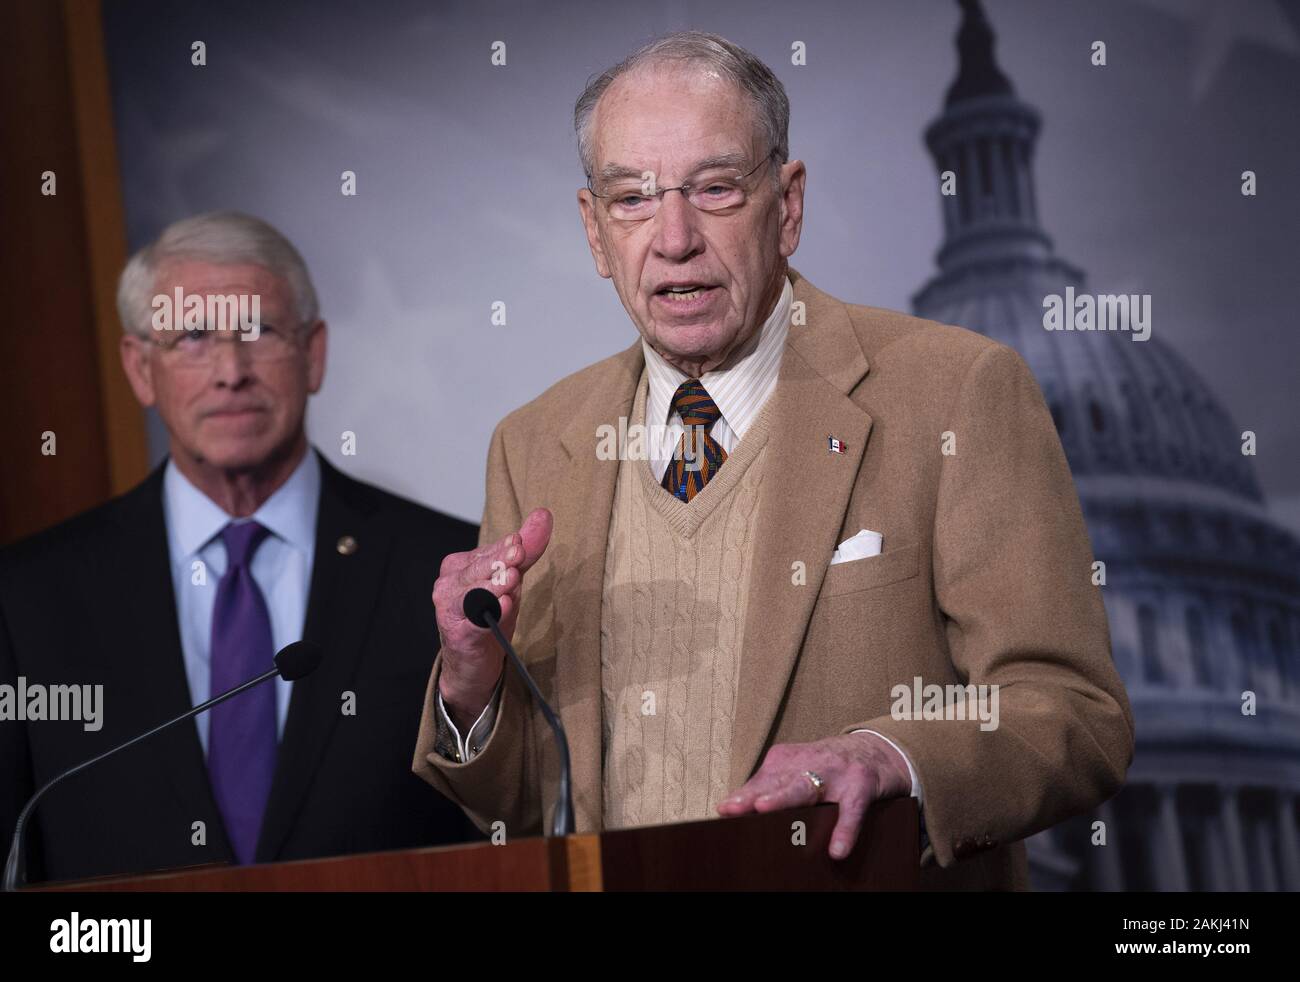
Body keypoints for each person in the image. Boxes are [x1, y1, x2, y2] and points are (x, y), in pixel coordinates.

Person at [413, 33, 1134, 890]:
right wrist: (471, 681)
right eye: (632, 198)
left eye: (715, 188)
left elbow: (1074, 716)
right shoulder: (534, 442)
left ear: (786, 206)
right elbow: (528, 810)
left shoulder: (956, 392)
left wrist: (892, 753)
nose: (674, 238)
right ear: (595, 233)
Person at [0, 211, 480, 884]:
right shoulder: (31, 599)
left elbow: (501, 813)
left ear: (312, 354)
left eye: (258, 330)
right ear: (140, 368)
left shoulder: (443, 570)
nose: (231, 370)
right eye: (193, 336)